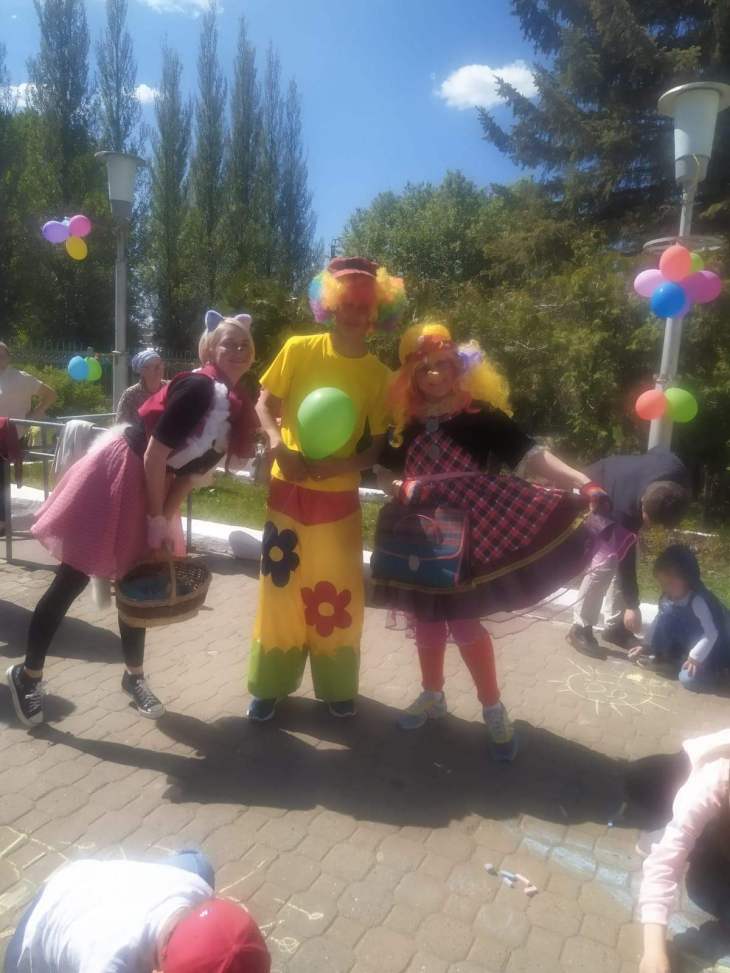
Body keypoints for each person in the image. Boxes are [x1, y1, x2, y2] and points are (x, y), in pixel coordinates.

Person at [372, 323, 635, 761]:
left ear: (460, 367)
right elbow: (385, 473)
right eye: (423, 369)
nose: (434, 375)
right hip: (418, 535)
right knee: (426, 620)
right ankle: (432, 695)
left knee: (464, 624)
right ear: (410, 377)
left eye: (443, 365)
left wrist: (582, 482)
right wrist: (398, 486)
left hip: (472, 537)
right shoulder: (406, 422)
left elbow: (531, 455)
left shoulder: (481, 415)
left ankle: (492, 708)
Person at [6, 311, 258, 728]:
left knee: (136, 579)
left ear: (252, 355)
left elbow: (188, 476)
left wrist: (162, 524)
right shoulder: (198, 387)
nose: (237, 349)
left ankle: (133, 677)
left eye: (244, 344)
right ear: (210, 349)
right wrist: (155, 518)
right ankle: (27, 675)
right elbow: (155, 454)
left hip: (154, 483)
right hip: (119, 473)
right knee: (72, 577)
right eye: (227, 342)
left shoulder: (235, 407)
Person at [247, 256, 405, 722]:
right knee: (280, 590)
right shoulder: (298, 349)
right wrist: (277, 444)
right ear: (330, 305)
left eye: (363, 306)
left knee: (337, 593)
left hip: (338, 500)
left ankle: (337, 686)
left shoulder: (379, 375)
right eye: (346, 303)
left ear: (376, 313)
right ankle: (269, 686)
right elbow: (264, 404)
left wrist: (343, 464)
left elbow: (375, 448)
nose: (354, 313)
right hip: (288, 490)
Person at [3, 849, 271, 973]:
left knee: (196, 863)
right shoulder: (108, 962)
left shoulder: (195, 888)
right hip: (38, 932)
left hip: (87, 882)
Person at [567, 448, 689, 659]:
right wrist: (633, 605)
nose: (648, 526)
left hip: (622, 483)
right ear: (642, 503)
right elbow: (626, 558)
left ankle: (615, 628)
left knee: (623, 556)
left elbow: (657, 451)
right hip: (593, 489)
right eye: (647, 519)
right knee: (605, 563)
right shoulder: (623, 508)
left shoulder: (676, 472)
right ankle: (580, 627)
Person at [627, 729, 730, 973]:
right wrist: (654, 952)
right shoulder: (713, 781)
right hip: (683, 777)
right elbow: (663, 866)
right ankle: (664, 829)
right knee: (702, 885)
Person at [628, 545, 729, 691]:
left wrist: (695, 657)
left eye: (670, 583)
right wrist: (646, 645)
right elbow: (659, 620)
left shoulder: (699, 600)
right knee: (666, 612)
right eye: (663, 584)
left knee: (688, 679)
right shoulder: (668, 598)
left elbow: (712, 633)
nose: (666, 588)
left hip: (716, 649)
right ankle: (670, 658)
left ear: (688, 578)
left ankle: (716, 673)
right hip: (690, 641)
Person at [0, 342, 57, 531]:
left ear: (8, 357)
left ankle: (2, 521)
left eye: (2, 354)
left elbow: (50, 395)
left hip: (10, 435)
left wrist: (34, 416)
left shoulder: (21, 378)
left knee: (1, 477)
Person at [116, 349, 167, 425]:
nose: (159, 369)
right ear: (142, 371)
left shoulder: (170, 388)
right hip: (138, 432)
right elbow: (121, 425)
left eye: (160, 364)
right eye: (154, 366)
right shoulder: (131, 395)